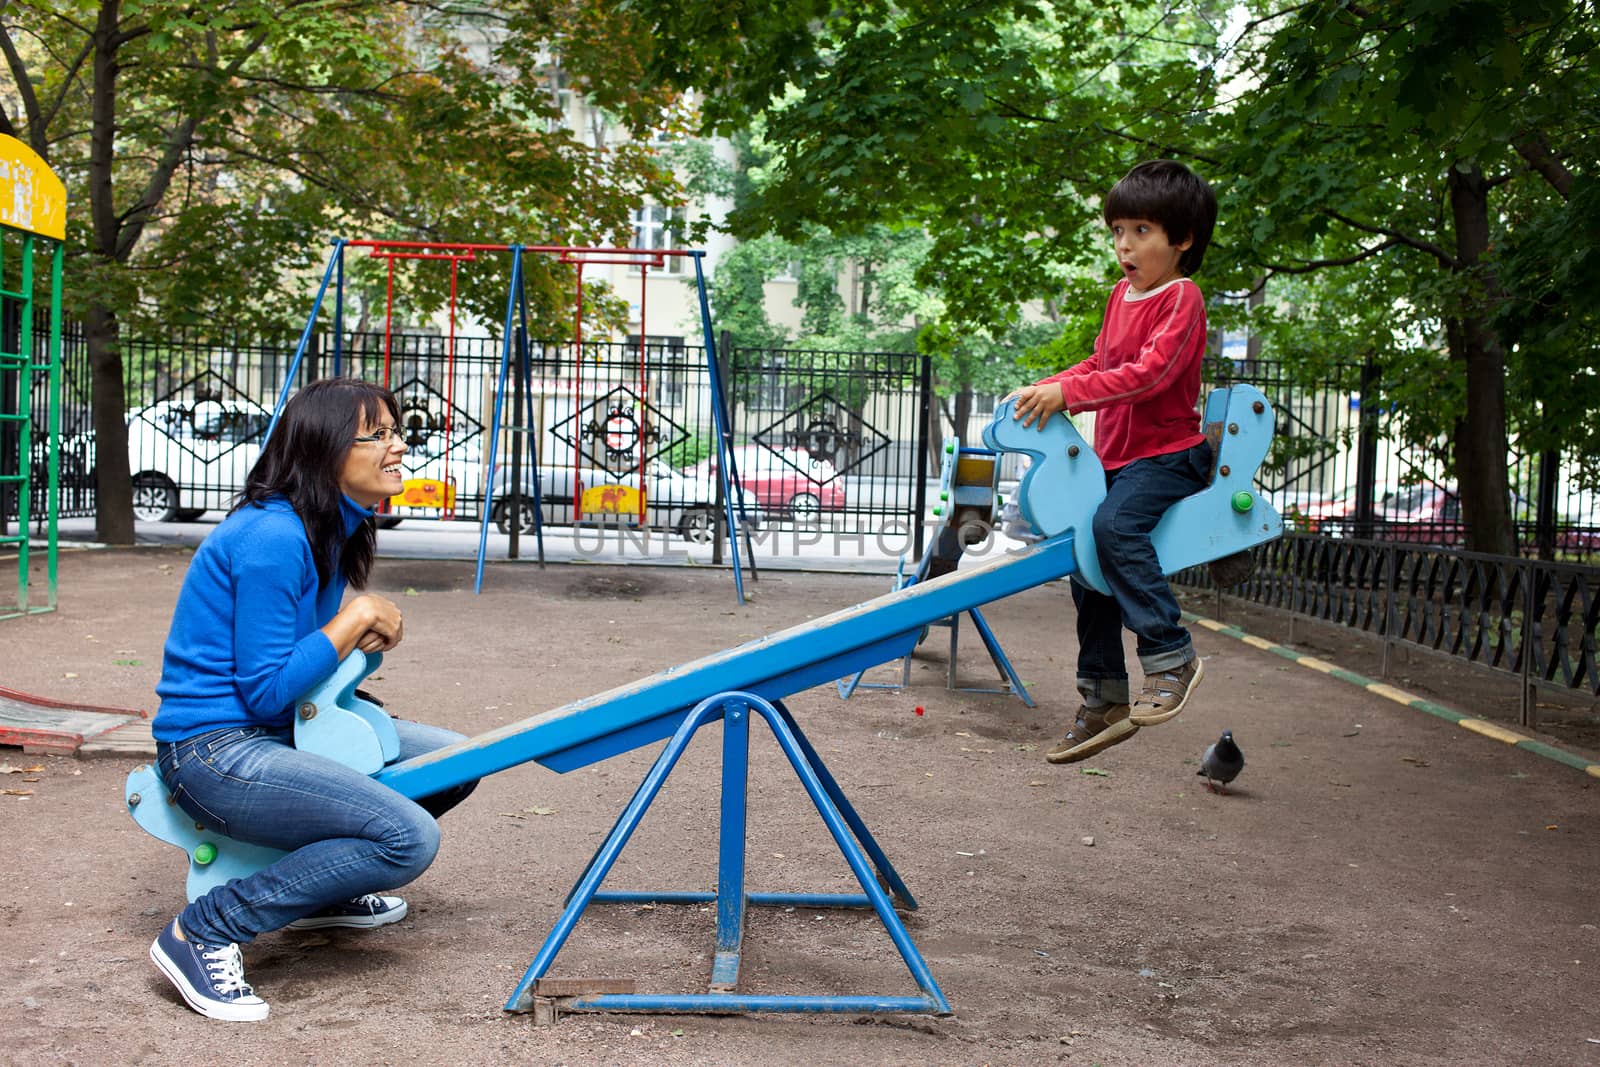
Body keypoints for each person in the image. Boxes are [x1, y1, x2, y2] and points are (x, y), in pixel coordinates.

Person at [146, 377, 478, 1021]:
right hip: (215, 749)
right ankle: (205, 929)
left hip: (276, 731)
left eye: (396, 431)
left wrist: (355, 647)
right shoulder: (273, 537)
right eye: (377, 434)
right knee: (406, 839)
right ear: (325, 451)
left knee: (459, 760)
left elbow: (299, 670)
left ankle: (321, 889)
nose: (399, 446)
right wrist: (353, 620)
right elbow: (265, 686)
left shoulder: (329, 529)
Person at [1008, 159, 1218, 766]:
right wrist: (1045, 388)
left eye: (1141, 231)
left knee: (1113, 528)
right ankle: (1102, 695)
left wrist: (1069, 395)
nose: (1125, 245)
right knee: (1086, 552)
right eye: (1118, 231)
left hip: (1170, 456)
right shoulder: (1121, 295)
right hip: (1122, 459)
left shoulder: (1181, 298)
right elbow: (1100, 367)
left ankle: (1171, 655)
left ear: (1182, 240)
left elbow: (1149, 376)